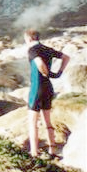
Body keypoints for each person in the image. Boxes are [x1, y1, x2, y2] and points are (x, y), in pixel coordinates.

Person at [24, 29, 70, 158]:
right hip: (48, 87)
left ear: (29, 39)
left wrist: (46, 72)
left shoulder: (32, 50)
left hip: (36, 88)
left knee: (32, 122)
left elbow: (39, 64)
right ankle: (53, 150)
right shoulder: (47, 49)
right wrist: (57, 73)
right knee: (47, 120)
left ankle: (34, 152)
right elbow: (66, 57)